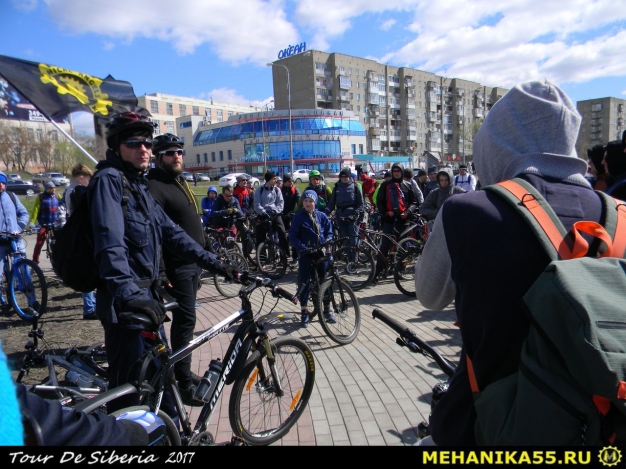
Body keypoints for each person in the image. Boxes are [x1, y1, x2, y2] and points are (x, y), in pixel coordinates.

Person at [415, 80, 600, 446]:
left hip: (487, 424)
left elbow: (429, 294)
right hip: (597, 427)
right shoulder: (619, 218)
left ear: (495, 144)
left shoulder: (468, 211)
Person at [89, 111, 222, 414]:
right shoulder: (109, 181)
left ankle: (174, 432)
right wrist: (131, 297)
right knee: (128, 393)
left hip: (148, 302)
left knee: (161, 380)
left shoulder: (137, 185)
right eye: (134, 143)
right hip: (126, 307)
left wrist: (218, 265)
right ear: (118, 147)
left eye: (147, 143)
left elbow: (174, 234)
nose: (143, 149)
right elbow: (109, 245)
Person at [147, 132, 207, 406]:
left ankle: (182, 371)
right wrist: (160, 273)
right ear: (159, 157)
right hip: (177, 267)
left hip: (193, 264)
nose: (177, 156)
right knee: (184, 325)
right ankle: (182, 385)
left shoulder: (178, 181)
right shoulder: (155, 186)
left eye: (180, 151)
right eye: (170, 153)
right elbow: (154, 233)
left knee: (186, 324)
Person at [288, 190, 335, 328]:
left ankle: (327, 309)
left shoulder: (321, 216)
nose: (308, 203)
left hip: (320, 252)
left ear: (315, 202)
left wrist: (328, 241)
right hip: (306, 252)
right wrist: (302, 248)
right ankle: (304, 312)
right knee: (305, 282)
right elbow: (293, 236)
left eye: (311, 201)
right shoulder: (298, 217)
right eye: (306, 201)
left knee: (324, 279)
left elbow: (329, 231)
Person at [62, 164, 97, 320]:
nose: (89, 182)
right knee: (87, 270)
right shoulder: (77, 190)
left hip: (79, 234)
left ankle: (91, 305)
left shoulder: (69, 190)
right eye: (88, 179)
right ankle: (89, 308)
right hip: (83, 235)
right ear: (81, 177)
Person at [374, 164, 420, 282]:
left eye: (398, 171)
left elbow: (414, 202)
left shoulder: (407, 185)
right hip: (389, 220)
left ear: (402, 172)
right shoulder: (385, 185)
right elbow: (379, 202)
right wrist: (386, 212)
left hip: (403, 220)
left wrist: (407, 212)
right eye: (394, 171)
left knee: (401, 246)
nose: (396, 173)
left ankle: (399, 270)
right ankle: (378, 271)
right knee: (384, 246)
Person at [0, 171, 29, 310]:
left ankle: (32, 302)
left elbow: (24, 213)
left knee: (24, 271)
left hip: (14, 239)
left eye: (3, 182)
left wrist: (19, 227)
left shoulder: (11, 196)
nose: (1, 184)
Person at [326, 167, 364, 260]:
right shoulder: (336, 188)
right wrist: (324, 212)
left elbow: (361, 204)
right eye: (342, 176)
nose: (344, 178)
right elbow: (331, 204)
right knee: (345, 241)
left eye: (346, 176)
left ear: (349, 176)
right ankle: (349, 261)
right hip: (340, 217)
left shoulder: (355, 187)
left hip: (352, 217)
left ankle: (354, 261)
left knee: (353, 240)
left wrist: (356, 215)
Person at [253, 170, 290, 260]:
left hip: (274, 214)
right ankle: (262, 259)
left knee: (282, 232)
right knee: (260, 236)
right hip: (263, 214)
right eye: (274, 178)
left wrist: (276, 211)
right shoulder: (259, 190)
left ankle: (284, 255)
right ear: (268, 179)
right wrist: (263, 213)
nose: (276, 180)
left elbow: (281, 203)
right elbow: (257, 205)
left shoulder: (277, 190)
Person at [29, 181, 62, 265]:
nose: (53, 189)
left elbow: (62, 206)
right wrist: (32, 222)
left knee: (59, 241)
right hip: (44, 223)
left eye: (54, 188)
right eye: (51, 188)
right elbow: (35, 210)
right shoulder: (41, 197)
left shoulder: (57, 196)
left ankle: (59, 260)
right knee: (39, 242)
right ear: (46, 189)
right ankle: (35, 261)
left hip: (55, 223)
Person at [280, 174, 301, 264]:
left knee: (294, 236)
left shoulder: (295, 190)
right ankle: (283, 257)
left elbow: (299, 201)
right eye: (289, 181)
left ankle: (295, 257)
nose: (291, 182)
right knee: (282, 237)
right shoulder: (280, 190)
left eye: (292, 181)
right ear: (285, 182)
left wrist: (295, 211)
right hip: (282, 216)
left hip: (293, 216)